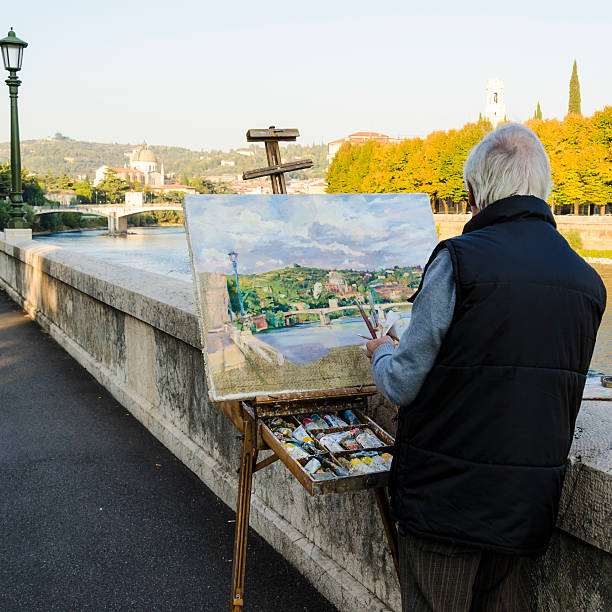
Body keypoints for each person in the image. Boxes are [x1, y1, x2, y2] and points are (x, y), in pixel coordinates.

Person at [365, 124, 606, 611]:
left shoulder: (459, 260)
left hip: (445, 502)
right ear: (544, 188)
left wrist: (379, 352)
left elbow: (402, 382)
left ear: (475, 192)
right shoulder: (586, 281)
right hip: (525, 505)